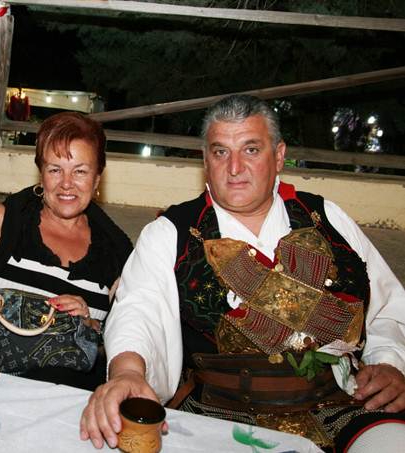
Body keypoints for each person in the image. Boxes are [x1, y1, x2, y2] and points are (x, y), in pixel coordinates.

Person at [80, 95, 405, 452]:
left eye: (251, 150)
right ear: (205, 161)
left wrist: (389, 363)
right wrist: (127, 372)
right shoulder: (172, 232)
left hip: (339, 403)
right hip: (221, 412)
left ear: (278, 156)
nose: (234, 168)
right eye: (220, 152)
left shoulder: (326, 218)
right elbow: (140, 308)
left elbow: (387, 307)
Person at [0, 112, 133, 390]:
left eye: (80, 171)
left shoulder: (117, 252)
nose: (66, 183)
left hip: (64, 403)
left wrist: (88, 325)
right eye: (55, 169)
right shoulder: (4, 222)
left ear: (97, 180)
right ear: (41, 174)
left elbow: (117, 344)